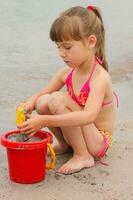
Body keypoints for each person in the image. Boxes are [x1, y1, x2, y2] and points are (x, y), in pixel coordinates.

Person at [18, 6, 118, 174]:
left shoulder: (100, 78)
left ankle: (82, 155)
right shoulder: (67, 73)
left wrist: (44, 121)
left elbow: (89, 116)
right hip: (81, 135)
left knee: (57, 98)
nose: (61, 54)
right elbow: (41, 94)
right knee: (43, 101)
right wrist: (29, 104)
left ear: (91, 42)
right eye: (58, 47)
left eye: (67, 47)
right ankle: (65, 144)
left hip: (97, 142)